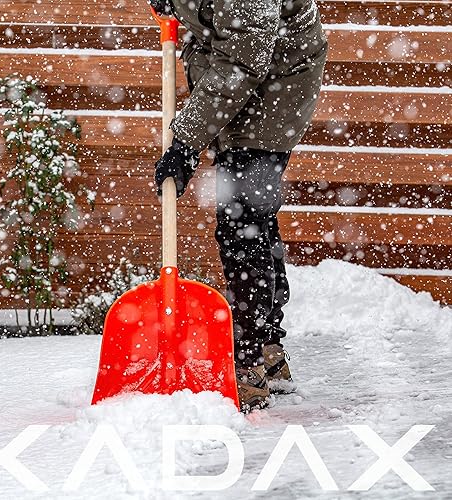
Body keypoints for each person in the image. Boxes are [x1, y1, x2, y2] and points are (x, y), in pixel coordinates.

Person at [150, 0, 327, 412]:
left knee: (242, 223)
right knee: (252, 219)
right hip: (247, 71)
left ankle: (249, 366)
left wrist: (186, 142)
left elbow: (244, 58)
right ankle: (267, 350)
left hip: (276, 82)